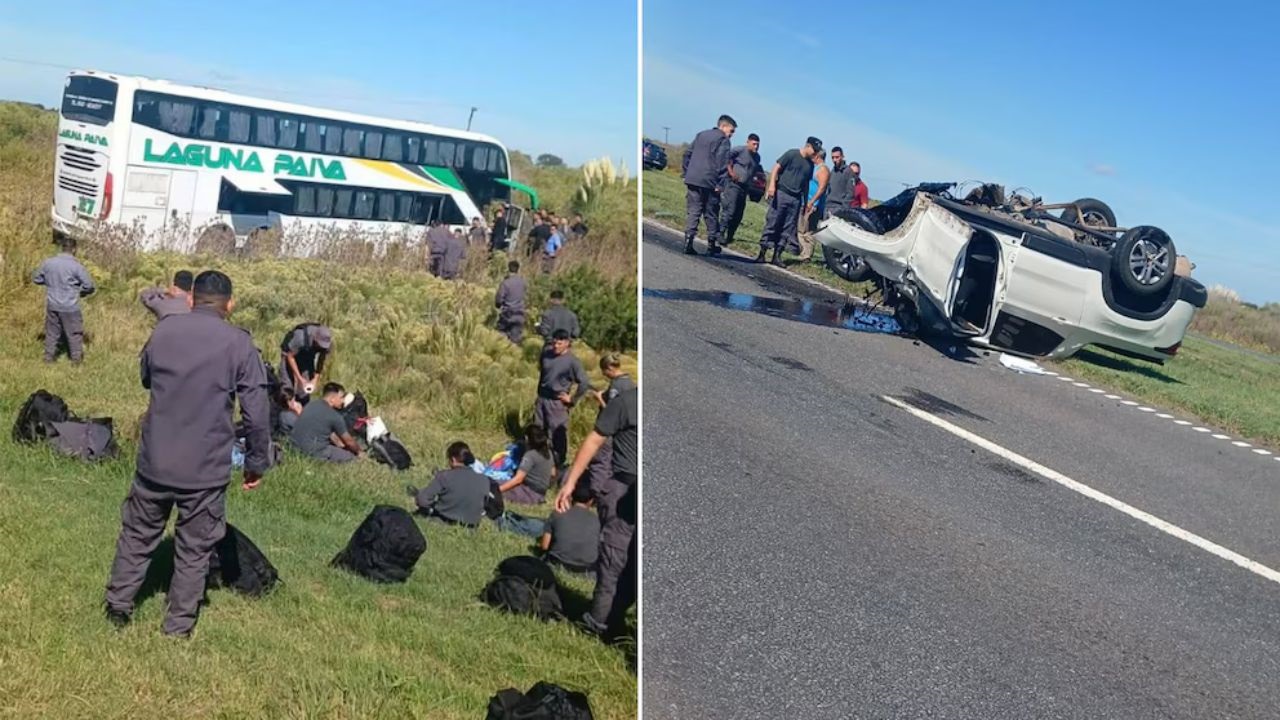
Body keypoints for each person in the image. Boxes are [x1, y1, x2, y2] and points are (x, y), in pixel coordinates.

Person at [103, 270, 271, 637]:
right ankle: (177, 627)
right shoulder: (239, 344)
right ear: (231, 304)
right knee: (195, 548)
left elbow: (146, 377)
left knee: (137, 533)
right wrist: (256, 464)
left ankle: (117, 606)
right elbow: (258, 413)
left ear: (191, 299)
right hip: (204, 467)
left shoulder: (164, 330)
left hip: (156, 457)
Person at [555, 386, 637, 638]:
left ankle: (614, 619)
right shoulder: (626, 402)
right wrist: (570, 483)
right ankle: (599, 623)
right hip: (624, 488)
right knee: (616, 559)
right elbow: (594, 439)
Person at [757, 136, 822, 267]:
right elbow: (776, 168)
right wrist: (771, 186)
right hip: (782, 193)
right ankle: (762, 253)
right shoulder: (792, 154)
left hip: (796, 199)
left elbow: (805, 185)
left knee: (788, 227)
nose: (815, 153)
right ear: (808, 146)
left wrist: (805, 202)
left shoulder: (810, 165)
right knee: (773, 222)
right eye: (814, 150)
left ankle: (777, 255)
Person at [534, 329, 591, 471]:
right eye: (554, 343)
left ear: (567, 343)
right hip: (542, 399)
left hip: (557, 402)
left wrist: (572, 399)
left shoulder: (573, 362)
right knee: (537, 429)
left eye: (559, 343)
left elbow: (584, 382)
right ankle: (538, 459)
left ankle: (558, 465)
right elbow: (543, 372)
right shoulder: (546, 354)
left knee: (557, 434)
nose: (556, 346)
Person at [32, 235, 95, 364]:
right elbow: (90, 285)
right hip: (70, 307)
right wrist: (82, 292)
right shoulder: (76, 266)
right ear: (74, 249)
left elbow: (36, 278)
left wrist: (50, 283)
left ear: (62, 248)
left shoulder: (48, 263)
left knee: (52, 333)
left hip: (52, 304)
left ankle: (48, 358)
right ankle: (76, 361)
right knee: (74, 334)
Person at [681, 114, 736, 256]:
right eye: (731, 131)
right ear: (723, 127)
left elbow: (687, 154)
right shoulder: (723, 140)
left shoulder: (701, 135)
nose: (731, 135)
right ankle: (712, 243)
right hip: (709, 181)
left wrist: (686, 172)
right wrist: (720, 183)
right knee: (711, 211)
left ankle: (688, 241)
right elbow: (722, 163)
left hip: (693, 178)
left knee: (694, 210)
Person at [413, 441, 489, 527]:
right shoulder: (484, 479)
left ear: (453, 460)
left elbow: (422, 500)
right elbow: (484, 504)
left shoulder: (445, 476)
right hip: (471, 526)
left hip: (444, 521)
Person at [288, 382, 363, 463]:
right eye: (341, 397)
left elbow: (329, 433)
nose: (343, 401)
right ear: (332, 399)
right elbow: (349, 442)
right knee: (351, 457)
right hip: (314, 452)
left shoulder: (311, 404)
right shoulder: (335, 416)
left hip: (294, 448)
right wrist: (359, 452)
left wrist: (340, 444)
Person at [539, 482, 600, 576]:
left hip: (556, 564)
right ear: (591, 501)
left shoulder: (557, 513)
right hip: (585, 571)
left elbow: (544, 546)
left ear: (571, 497)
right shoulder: (598, 521)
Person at [719, 133, 761, 245]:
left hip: (745, 187)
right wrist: (731, 172)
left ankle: (730, 236)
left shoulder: (757, 157)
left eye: (757, 144)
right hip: (734, 185)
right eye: (754, 144)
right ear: (748, 142)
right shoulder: (739, 150)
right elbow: (726, 157)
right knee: (730, 210)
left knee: (738, 214)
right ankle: (720, 232)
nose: (756, 147)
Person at [499, 425, 555, 505]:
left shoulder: (530, 455)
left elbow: (518, 479)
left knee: (493, 483)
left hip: (528, 493)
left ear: (526, 438)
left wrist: (498, 490)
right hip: (541, 493)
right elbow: (553, 473)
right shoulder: (548, 453)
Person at [279, 322, 332, 405]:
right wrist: (299, 378)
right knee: (287, 386)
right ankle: (285, 411)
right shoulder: (300, 338)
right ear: (315, 339)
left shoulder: (326, 343)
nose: (322, 347)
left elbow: (321, 358)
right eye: (320, 345)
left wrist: (315, 378)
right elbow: (290, 357)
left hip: (307, 357)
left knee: (305, 389)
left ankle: (302, 410)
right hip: (289, 354)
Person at [797, 149, 830, 261]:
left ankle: (806, 255)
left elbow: (822, 188)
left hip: (813, 204)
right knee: (801, 228)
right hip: (805, 201)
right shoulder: (813, 167)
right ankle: (802, 251)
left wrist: (812, 202)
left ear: (817, 156)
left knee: (808, 230)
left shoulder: (823, 170)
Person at [495, 261, 528, 344]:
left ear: (508, 268)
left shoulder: (505, 283)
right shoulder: (523, 282)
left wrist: (498, 306)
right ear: (518, 269)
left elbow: (499, 300)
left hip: (507, 313)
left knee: (501, 339)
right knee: (515, 340)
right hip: (519, 313)